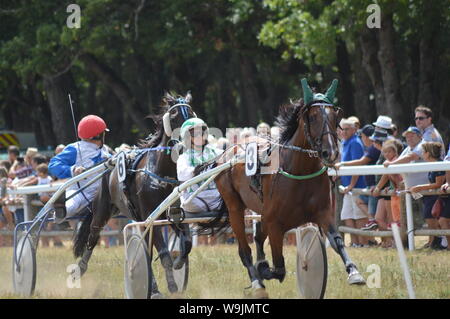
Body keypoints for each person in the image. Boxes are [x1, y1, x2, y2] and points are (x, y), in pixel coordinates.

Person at [49, 115, 111, 223]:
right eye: (103, 133)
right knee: (72, 204)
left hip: (102, 193)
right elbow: (53, 164)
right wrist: (72, 170)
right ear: (97, 135)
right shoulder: (75, 149)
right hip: (80, 192)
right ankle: (60, 212)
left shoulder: (105, 149)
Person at [336, 124, 380, 231]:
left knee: (365, 215)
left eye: (363, 136)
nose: (362, 138)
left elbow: (360, 163)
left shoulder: (357, 143)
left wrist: (342, 165)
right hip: (365, 186)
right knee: (351, 213)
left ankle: (368, 239)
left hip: (365, 186)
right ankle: (361, 240)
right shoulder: (367, 147)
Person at [177, 117, 224, 213]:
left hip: (218, 197)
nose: (200, 136)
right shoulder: (183, 157)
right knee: (185, 201)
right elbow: (182, 175)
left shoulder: (218, 153)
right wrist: (196, 170)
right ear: (188, 137)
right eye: (195, 134)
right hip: (195, 199)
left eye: (202, 133)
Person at [408, 142, 447, 250]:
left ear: (428, 153)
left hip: (437, 197)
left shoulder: (439, 164)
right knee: (429, 217)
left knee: (431, 218)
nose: (422, 154)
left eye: (423, 152)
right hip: (431, 196)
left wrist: (419, 187)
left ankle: (437, 241)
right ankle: (433, 241)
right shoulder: (432, 165)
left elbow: (438, 184)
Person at [339, 118, 368, 247]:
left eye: (346, 129)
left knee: (359, 216)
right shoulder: (345, 142)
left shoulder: (355, 142)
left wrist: (351, 185)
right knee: (347, 215)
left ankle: (363, 243)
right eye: (342, 129)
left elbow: (358, 166)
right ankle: (355, 243)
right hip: (348, 187)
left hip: (357, 186)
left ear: (354, 130)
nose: (343, 132)